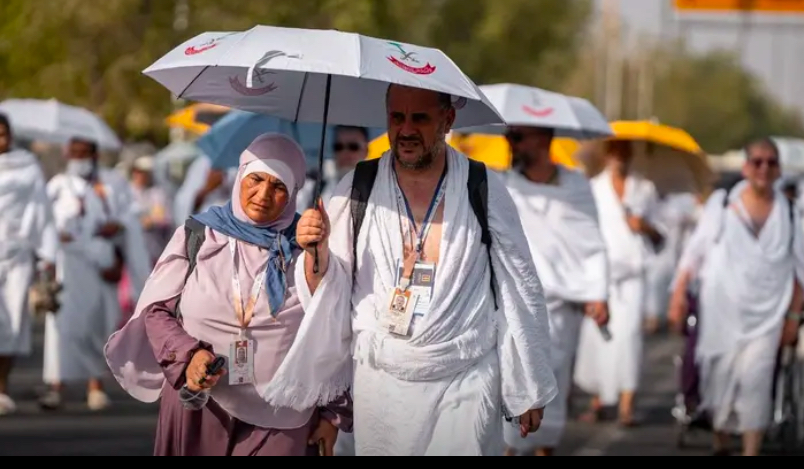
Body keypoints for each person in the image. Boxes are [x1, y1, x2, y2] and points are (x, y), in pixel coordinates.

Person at [293, 84, 558, 456]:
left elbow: (519, 284)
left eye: (419, 118)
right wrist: (314, 252)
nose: (406, 130)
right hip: (381, 385)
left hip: (465, 376)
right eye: (396, 118)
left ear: (448, 120)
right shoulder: (356, 187)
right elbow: (328, 294)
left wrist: (529, 382)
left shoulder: (481, 186)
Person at [105, 134, 352, 456]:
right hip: (202, 403)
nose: (263, 195)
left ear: (293, 194)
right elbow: (157, 311)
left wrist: (332, 415)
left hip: (283, 415)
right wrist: (189, 356)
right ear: (240, 177)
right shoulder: (199, 234)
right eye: (256, 179)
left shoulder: (308, 247)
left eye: (278, 186)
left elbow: (330, 331)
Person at [670, 138, 804, 456]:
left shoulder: (789, 212)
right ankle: (722, 442)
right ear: (746, 167)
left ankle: (750, 450)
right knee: (719, 383)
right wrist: (678, 294)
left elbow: (800, 270)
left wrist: (793, 317)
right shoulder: (722, 204)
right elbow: (694, 253)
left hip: (768, 317)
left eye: (771, 162)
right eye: (757, 162)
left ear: (778, 169)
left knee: (757, 382)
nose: (764, 168)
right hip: (720, 314)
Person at [501, 126, 609, 456]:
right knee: (510, 380)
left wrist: (597, 292)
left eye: (519, 137)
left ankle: (544, 448)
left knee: (552, 381)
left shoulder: (576, 186)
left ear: (543, 139)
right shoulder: (503, 186)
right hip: (512, 302)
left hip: (561, 305)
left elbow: (591, 241)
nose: (511, 143)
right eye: (509, 136)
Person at [41, 137, 151, 411]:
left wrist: (118, 225)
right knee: (63, 328)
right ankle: (57, 386)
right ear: (67, 154)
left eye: (85, 153)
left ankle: (95, 386)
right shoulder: (58, 185)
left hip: (102, 265)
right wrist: (55, 242)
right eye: (75, 153)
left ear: (95, 155)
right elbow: (44, 223)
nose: (80, 158)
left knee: (99, 324)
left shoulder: (112, 183)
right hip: (68, 267)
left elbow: (130, 217)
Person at [574, 140, 664, 426]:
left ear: (631, 154)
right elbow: (584, 234)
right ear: (606, 155)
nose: (619, 157)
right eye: (614, 151)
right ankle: (599, 400)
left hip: (633, 278)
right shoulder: (593, 188)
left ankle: (627, 404)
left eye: (624, 152)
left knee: (629, 338)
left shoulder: (645, 189)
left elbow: (661, 237)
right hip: (602, 277)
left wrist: (644, 227)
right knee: (599, 336)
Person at [0, 114, 58, 415]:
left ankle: (2, 388)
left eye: (3, 134)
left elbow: (41, 211)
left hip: (18, 255)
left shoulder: (27, 166)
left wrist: (47, 256)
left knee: (12, 321)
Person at [296, 125, 370, 212]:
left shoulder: (378, 192)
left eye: (353, 147)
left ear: (366, 151)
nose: (345, 152)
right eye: (338, 147)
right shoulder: (313, 190)